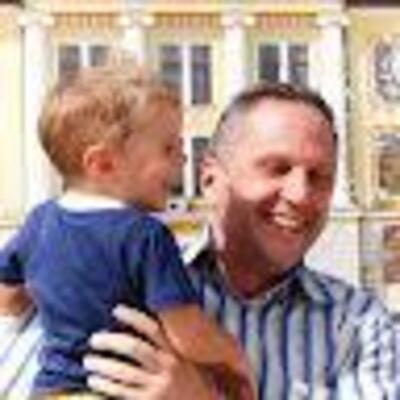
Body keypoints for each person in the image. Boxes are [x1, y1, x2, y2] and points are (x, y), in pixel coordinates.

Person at [79, 82, 398, 399]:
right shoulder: (122, 288)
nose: (300, 194)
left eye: (319, 177)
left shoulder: (360, 326)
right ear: (210, 178)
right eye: (278, 168)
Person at [0, 61, 254, 399]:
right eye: (168, 148)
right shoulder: (144, 236)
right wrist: (232, 357)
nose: (182, 160)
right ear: (102, 163)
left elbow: (8, 300)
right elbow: (187, 333)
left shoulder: (39, 221)